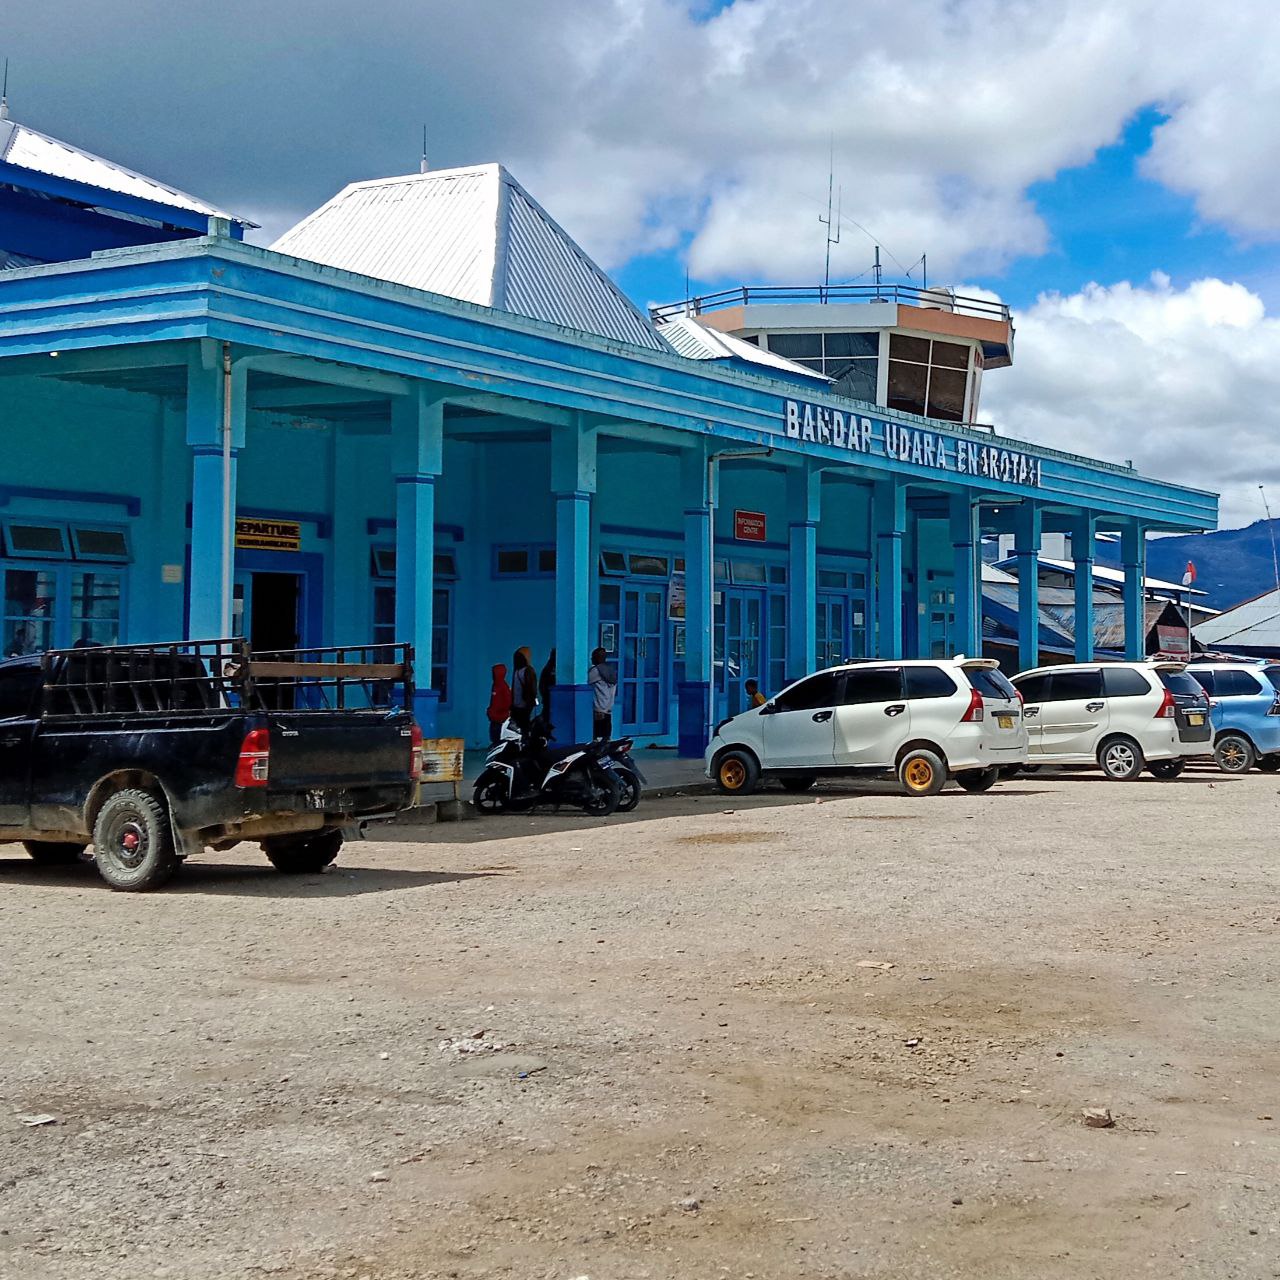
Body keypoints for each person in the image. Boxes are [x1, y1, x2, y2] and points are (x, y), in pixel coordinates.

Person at [588, 646, 617, 740]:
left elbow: (584, 681)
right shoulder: (610, 670)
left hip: (598, 707)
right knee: (606, 735)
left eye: (593, 656)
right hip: (608, 706)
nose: (591, 659)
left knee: (597, 735)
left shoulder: (596, 671)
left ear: (598, 658)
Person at [510, 646, 538, 731]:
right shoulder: (528, 670)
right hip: (525, 704)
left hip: (516, 705)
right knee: (526, 726)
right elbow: (532, 687)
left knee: (519, 727)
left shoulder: (516, 671)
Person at [486, 662, 512, 744]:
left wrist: (501, 713)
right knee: (494, 738)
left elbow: (508, 703)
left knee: (498, 740)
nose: (493, 676)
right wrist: (490, 711)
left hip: (500, 720)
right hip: (494, 719)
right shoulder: (495, 685)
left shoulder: (504, 687)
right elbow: (493, 701)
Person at [539, 648, 556, 715]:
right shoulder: (557, 669)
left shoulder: (546, 669)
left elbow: (541, 685)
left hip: (547, 699)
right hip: (554, 699)